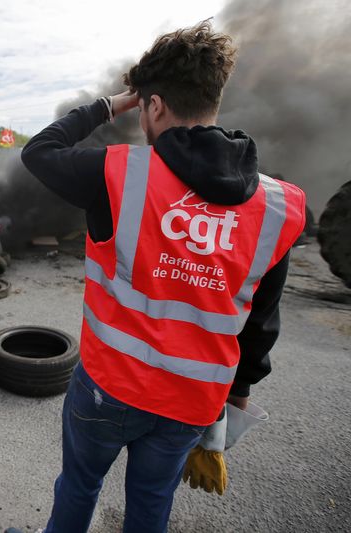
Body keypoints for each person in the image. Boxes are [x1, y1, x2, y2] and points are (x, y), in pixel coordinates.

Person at [16, 21, 305, 533]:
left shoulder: (117, 172)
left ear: (151, 105)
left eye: (142, 106)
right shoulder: (279, 205)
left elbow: (40, 151)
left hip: (108, 389)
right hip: (193, 403)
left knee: (79, 488)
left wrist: (110, 105)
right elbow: (262, 321)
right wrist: (226, 419)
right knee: (151, 506)